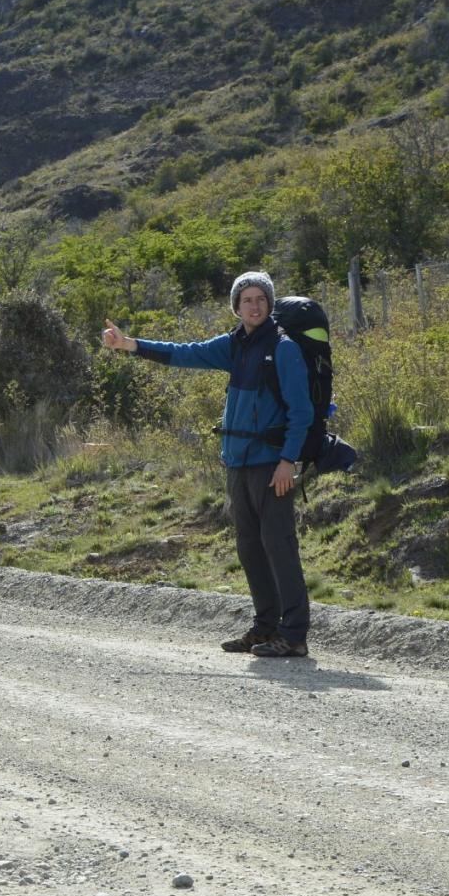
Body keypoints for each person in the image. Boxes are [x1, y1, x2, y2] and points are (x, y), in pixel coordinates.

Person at [100, 271, 314, 658]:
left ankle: (294, 634)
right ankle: (265, 628)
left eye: (261, 299)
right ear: (236, 306)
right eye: (247, 299)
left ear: (269, 305)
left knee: (279, 547)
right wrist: (130, 345)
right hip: (238, 464)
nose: (254, 305)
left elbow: (302, 412)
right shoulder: (233, 346)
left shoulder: (283, 349)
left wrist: (288, 461)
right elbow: (184, 352)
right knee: (250, 548)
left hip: (272, 465)